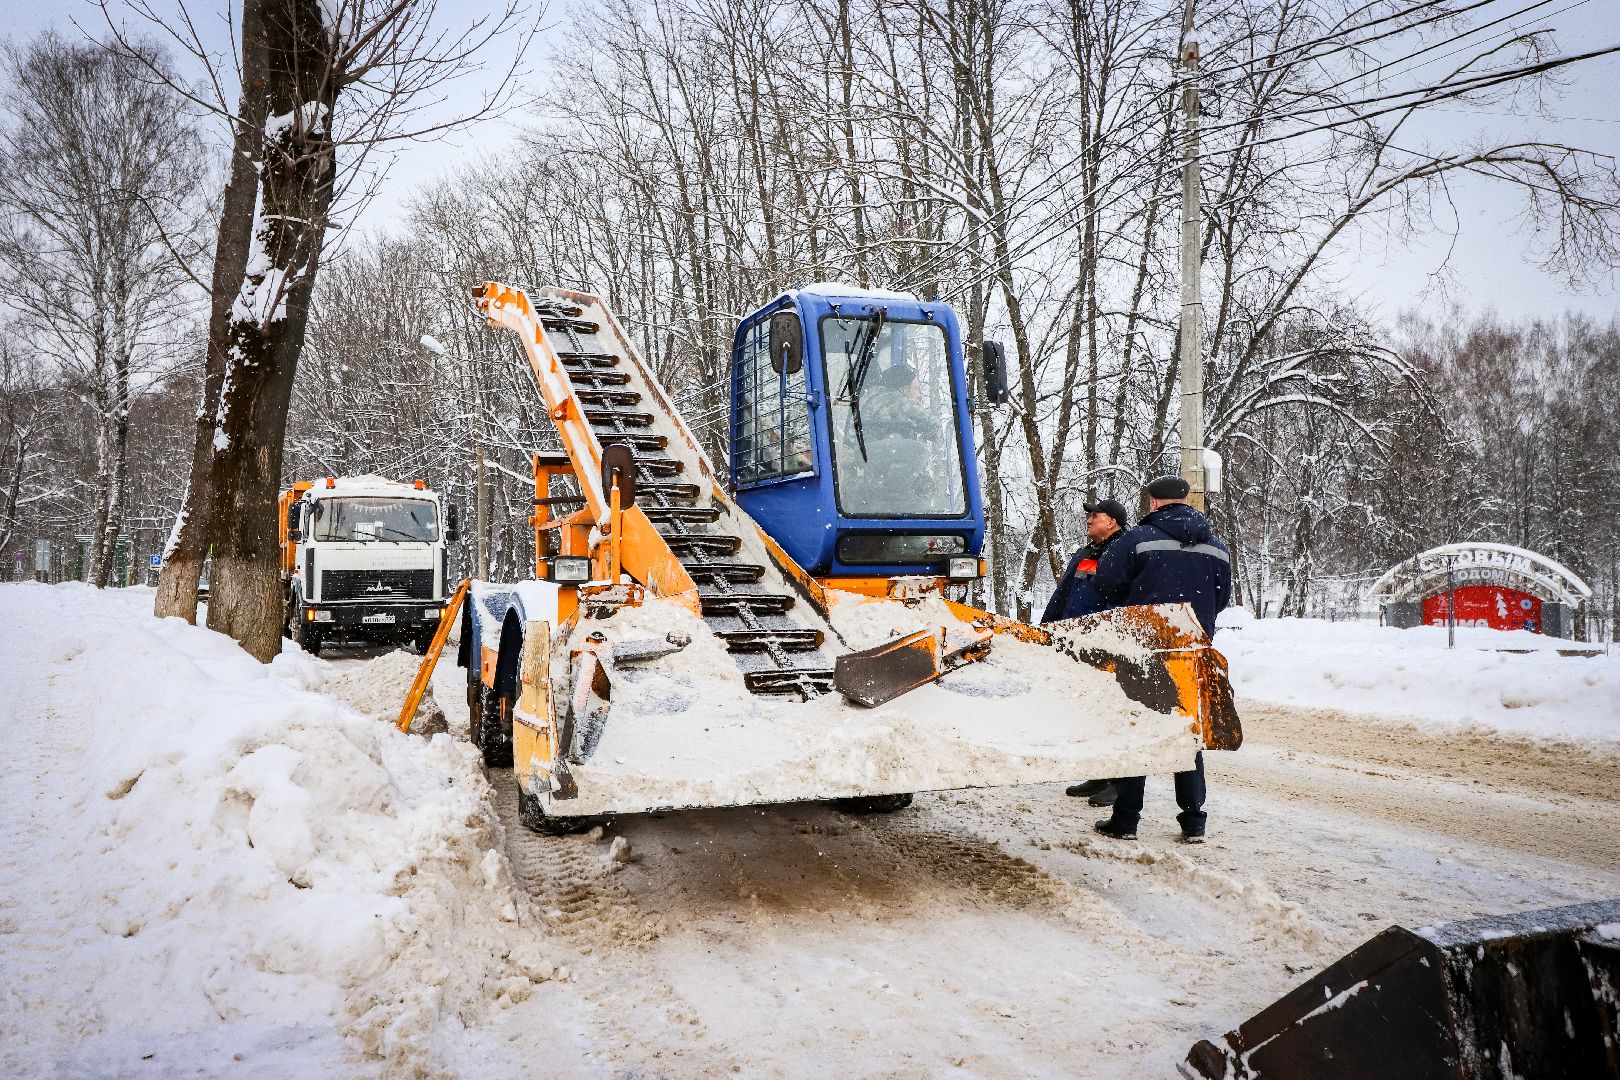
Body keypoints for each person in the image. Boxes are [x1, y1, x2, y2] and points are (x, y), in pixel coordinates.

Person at [1090, 474, 1231, 844]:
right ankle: (1194, 821)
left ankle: (1126, 819)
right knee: (1187, 734)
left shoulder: (1138, 539)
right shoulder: (1216, 547)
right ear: (1186, 502)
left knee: (1138, 729)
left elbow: (1106, 583)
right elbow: (1220, 599)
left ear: (1153, 502)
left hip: (1144, 646)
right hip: (1192, 648)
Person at [1041, 498, 1130, 806]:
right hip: (1075, 641)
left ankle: (1119, 783)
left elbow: (1119, 601)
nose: (1089, 519)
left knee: (1113, 713)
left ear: (1113, 522)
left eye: (1096, 515)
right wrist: (1048, 627)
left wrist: (1107, 637)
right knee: (1092, 712)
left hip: (1105, 643)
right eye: (1089, 515)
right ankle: (1100, 773)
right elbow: (1065, 593)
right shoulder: (1087, 553)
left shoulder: (1122, 554)